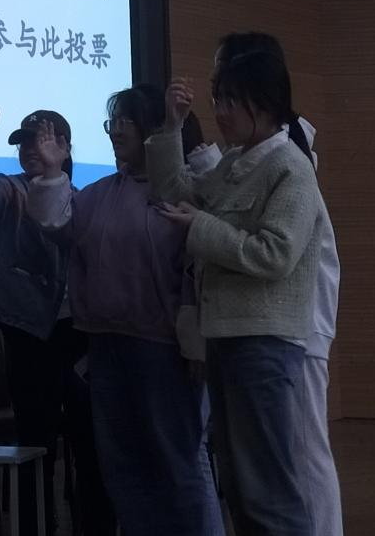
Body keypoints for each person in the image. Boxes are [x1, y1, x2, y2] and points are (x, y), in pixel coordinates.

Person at [25, 84, 224, 536]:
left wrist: (197, 346)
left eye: (124, 122)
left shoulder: (182, 190)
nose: (115, 132)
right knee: (124, 470)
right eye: (111, 123)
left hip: (165, 351)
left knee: (178, 465)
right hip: (107, 347)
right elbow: (58, 224)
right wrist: (53, 170)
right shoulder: (101, 193)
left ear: (154, 128)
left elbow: (201, 270)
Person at [148, 41, 328, 536]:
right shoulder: (236, 163)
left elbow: (275, 253)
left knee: (268, 490)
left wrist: (201, 228)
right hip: (228, 339)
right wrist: (171, 127)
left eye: (229, 101)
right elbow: (174, 193)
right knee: (239, 484)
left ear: (263, 105)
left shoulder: (291, 167)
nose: (219, 112)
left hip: (264, 344)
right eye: (217, 99)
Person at [0, 96, 114, 536]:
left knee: (90, 440)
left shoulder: (82, 199)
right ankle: (35, 527)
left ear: (64, 147)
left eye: (39, 141)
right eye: (23, 142)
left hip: (78, 332)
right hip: (26, 333)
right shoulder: (10, 189)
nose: (29, 149)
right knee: (34, 442)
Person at [213, 34, 341, 536]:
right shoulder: (246, 154)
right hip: (266, 323)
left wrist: (201, 227)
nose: (218, 102)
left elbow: (276, 248)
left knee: (300, 459)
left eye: (227, 89)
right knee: (260, 474)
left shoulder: (287, 153)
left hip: (292, 323)